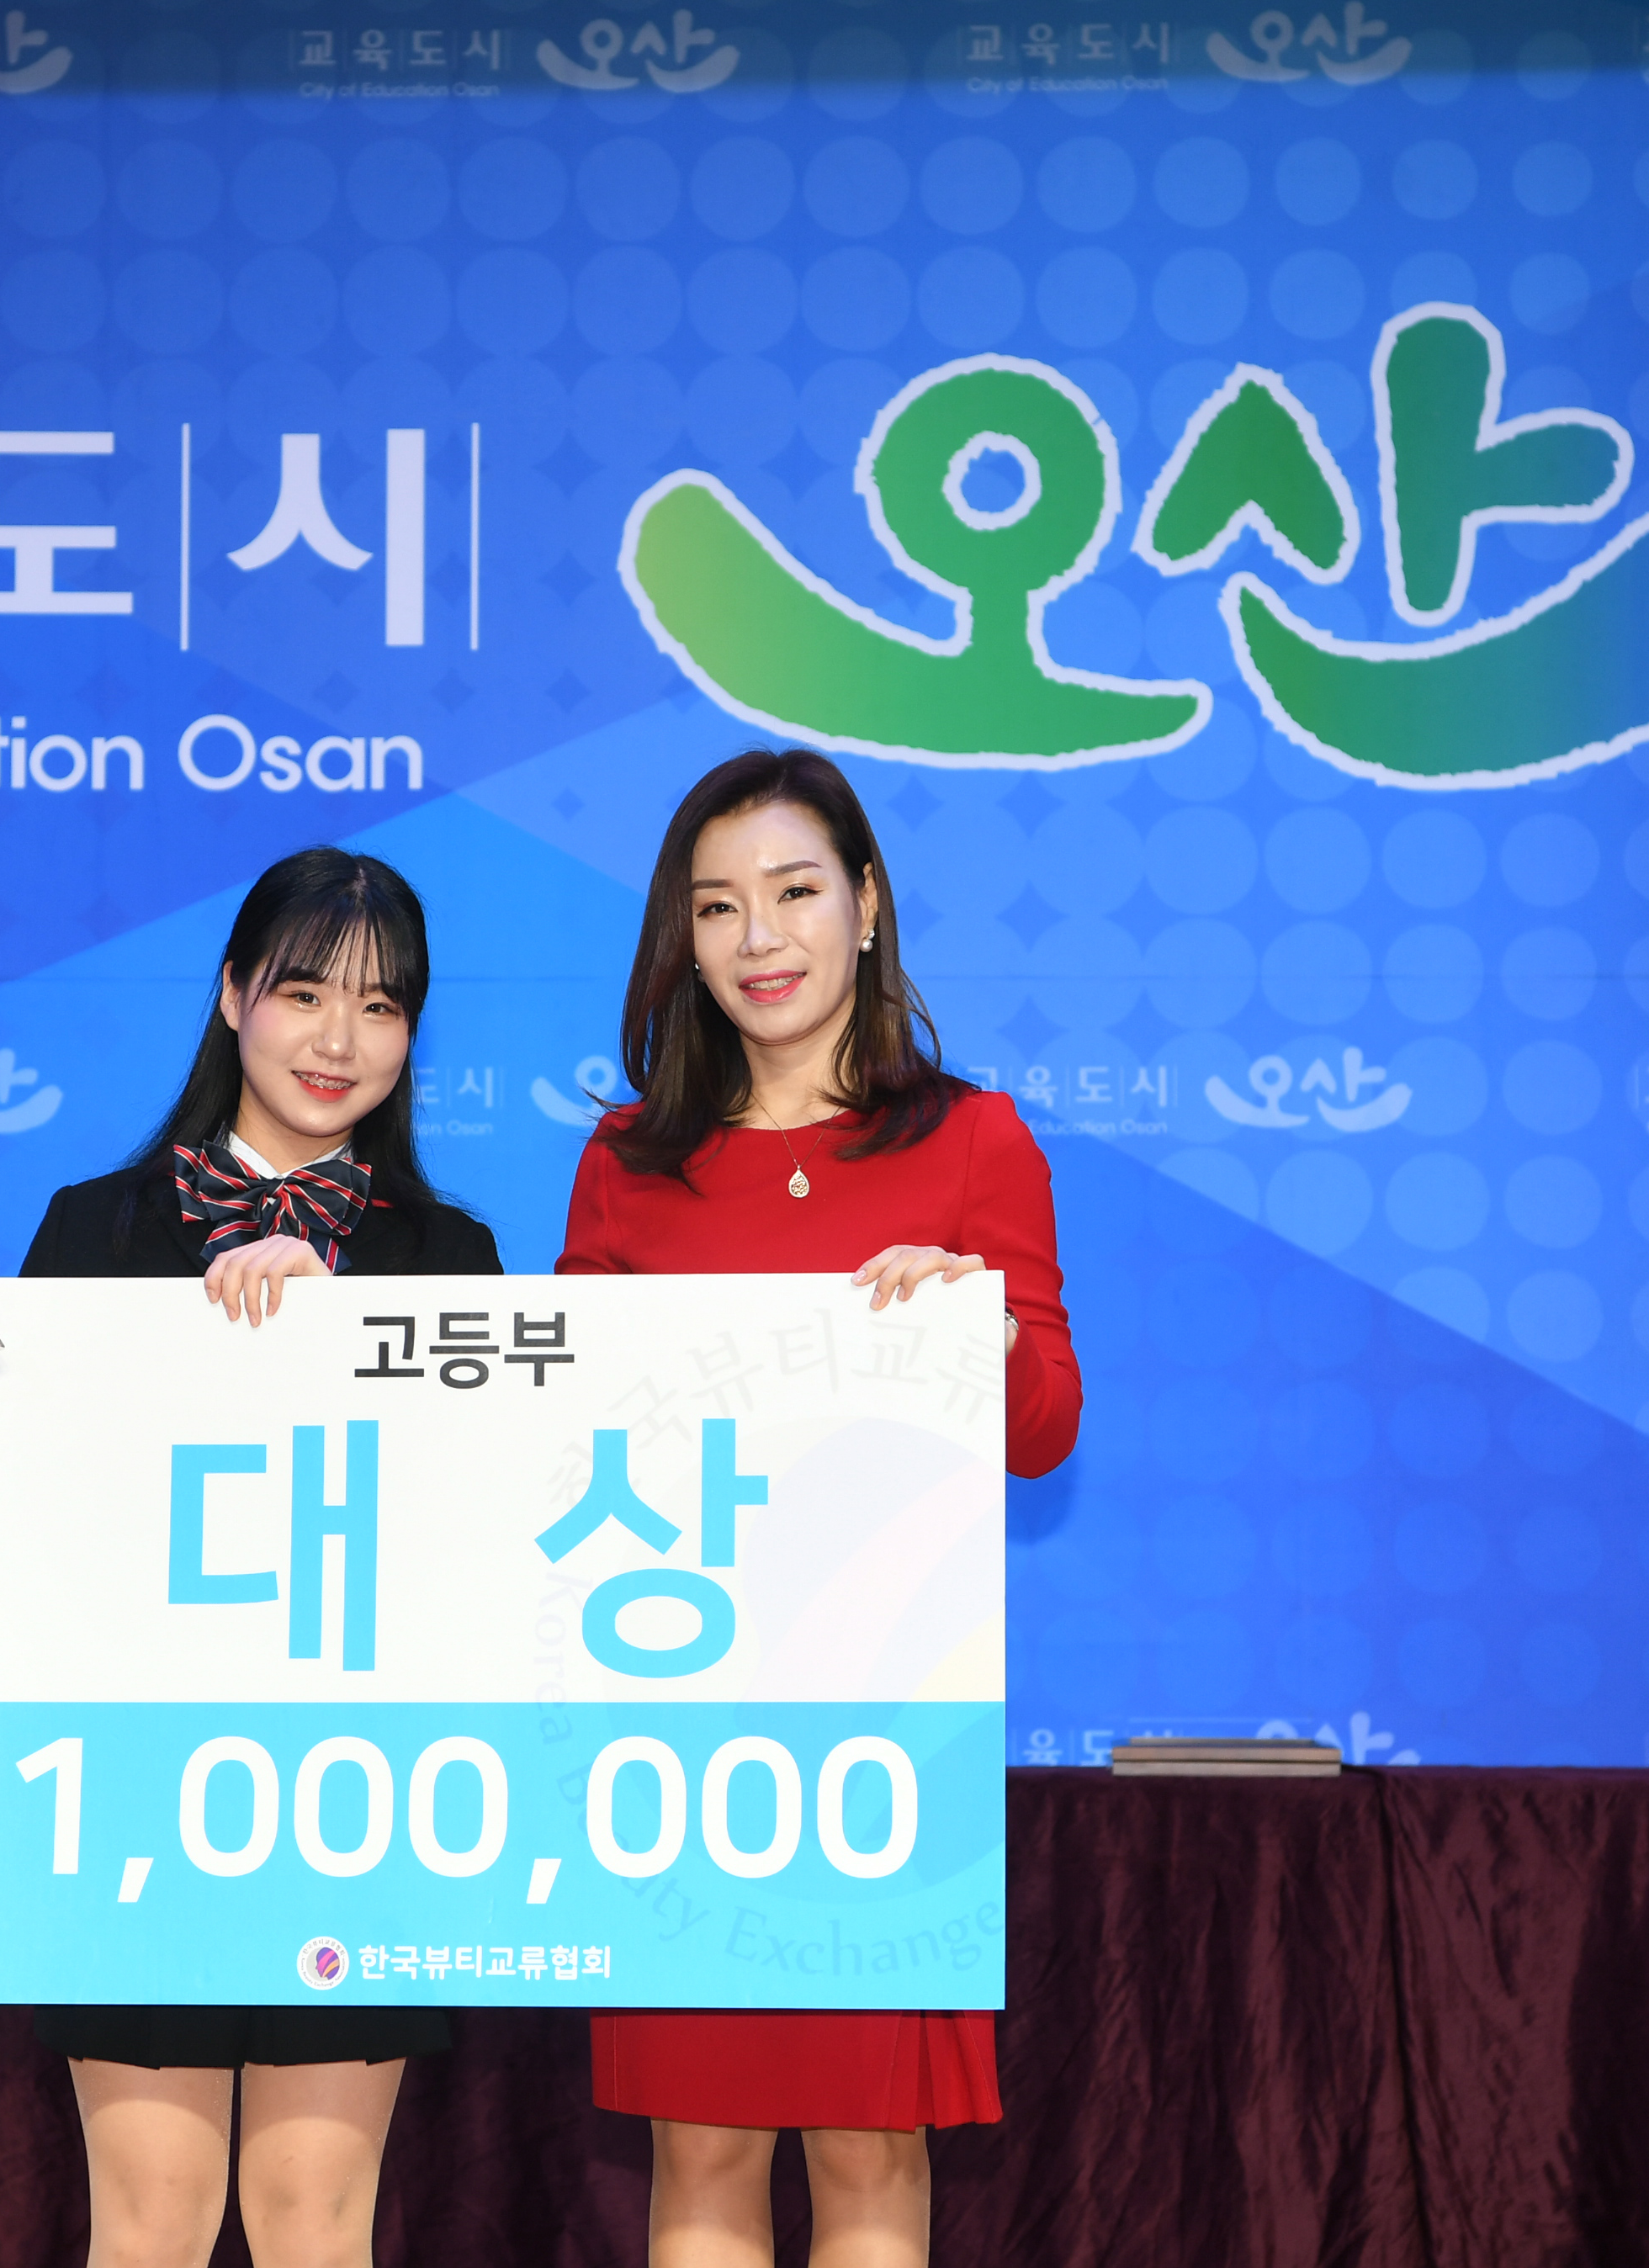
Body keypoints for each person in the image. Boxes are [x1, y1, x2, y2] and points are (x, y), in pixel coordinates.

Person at [0, 846, 501, 2268]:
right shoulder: (99, 1226)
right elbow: (7, 1490)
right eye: (305, 992)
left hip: (356, 1792)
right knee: (147, 2225)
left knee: (318, 2224)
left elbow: (485, 1534)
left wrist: (343, 1329)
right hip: (138, 1788)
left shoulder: (449, 1257)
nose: (339, 1039)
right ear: (232, 995)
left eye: (381, 1007)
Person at [557, 749, 1082, 2268]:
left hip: (879, 1733)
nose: (759, 937)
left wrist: (974, 1328)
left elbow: (1045, 1432)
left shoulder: (974, 1140)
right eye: (718, 906)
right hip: (675, 1727)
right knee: (701, 2147)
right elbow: (565, 1427)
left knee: (869, 2149)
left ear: (866, 903)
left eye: (793, 892)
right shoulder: (626, 1161)